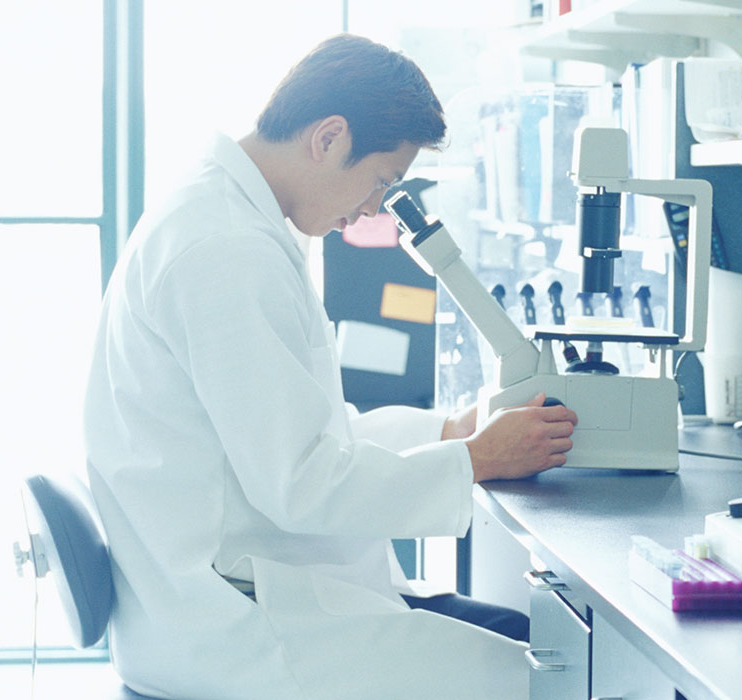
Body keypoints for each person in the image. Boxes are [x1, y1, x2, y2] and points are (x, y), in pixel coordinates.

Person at [83, 34, 577, 699]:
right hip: (229, 623)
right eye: (380, 181)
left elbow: (305, 434)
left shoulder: (231, 217)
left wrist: (452, 432)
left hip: (233, 582)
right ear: (328, 138)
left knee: (532, 646)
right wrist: (477, 460)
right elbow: (301, 483)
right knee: (553, 681)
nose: (372, 210)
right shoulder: (225, 248)